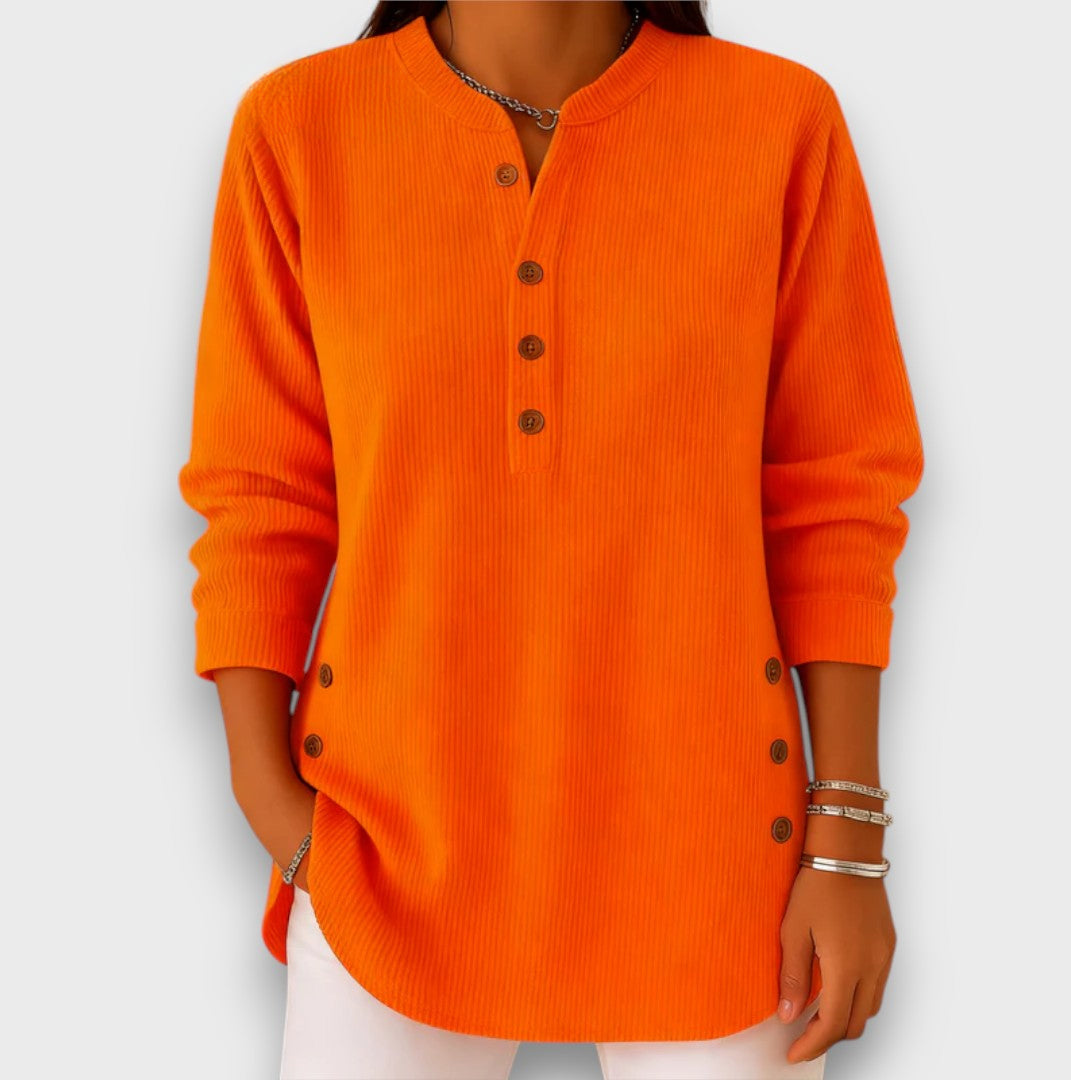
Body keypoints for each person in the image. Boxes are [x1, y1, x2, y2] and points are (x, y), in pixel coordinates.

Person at [177, 2, 924, 1077]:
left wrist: (847, 842)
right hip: (384, 855)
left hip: (714, 859)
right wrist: (275, 809)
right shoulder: (301, 126)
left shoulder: (777, 122)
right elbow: (260, 499)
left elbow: (835, 503)